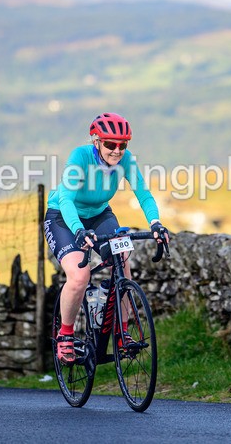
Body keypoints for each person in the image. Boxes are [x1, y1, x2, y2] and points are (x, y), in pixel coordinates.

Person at [45, 112, 169, 365]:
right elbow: (66, 198)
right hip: (63, 218)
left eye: (123, 145)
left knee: (122, 262)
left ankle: (121, 333)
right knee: (80, 276)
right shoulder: (80, 157)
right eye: (111, 144)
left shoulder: (126, 160)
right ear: (97, 141)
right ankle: (66, 334)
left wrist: (156, 223)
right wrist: (79, 230)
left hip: (100, 214)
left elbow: (143, 194)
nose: (117, 151)